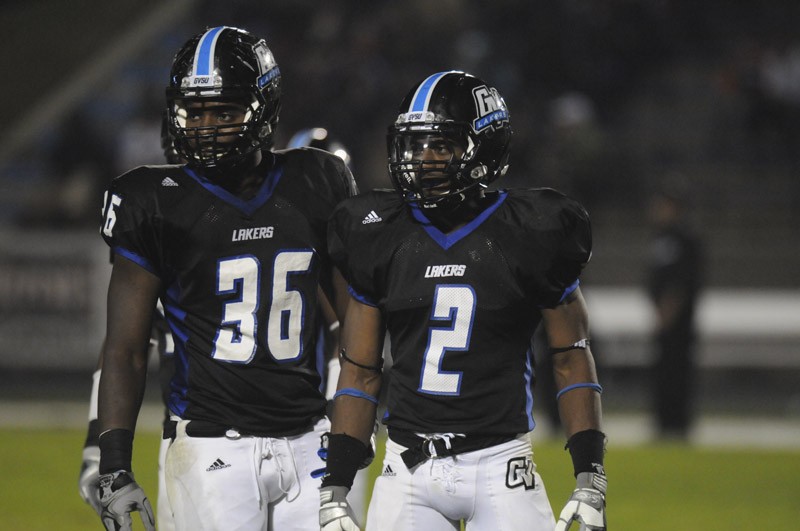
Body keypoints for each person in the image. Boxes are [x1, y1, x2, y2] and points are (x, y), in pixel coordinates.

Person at [319, 71, 607, 531]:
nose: (423, 160)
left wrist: (590, 474)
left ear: (483, 149)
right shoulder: (378, 232)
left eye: (441, 146)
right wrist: (335, 484)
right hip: (407, 469)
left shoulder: (530, 230)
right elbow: (360, 371)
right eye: (415, 145)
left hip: (500, 465)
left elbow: (571, 359)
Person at [95, 26, 357, 531]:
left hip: (310, 439)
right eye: (195, 112)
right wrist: (113, 464)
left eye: (224, 111)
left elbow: (354, 323)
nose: (206, 126)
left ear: (263, 109)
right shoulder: (153, 201)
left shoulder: (317, 180)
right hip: (212, 444)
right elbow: (125, 348)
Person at [646, 187, 703, 440]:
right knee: (663, 372)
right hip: (663, 319)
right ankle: (663, 421)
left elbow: (682, 282)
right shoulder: (660, 237)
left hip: (679, 323)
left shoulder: (686, 239)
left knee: (677, 373)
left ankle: (677, 424)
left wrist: (667, 314)